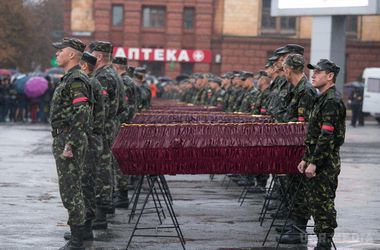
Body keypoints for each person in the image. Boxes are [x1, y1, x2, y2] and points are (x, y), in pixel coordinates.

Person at [298, 59, 346, 249]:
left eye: (318, 72)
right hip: (316, 159)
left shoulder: (332, 101)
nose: (313, 75)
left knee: (323, 202)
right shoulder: (322, 98)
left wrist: (314, 162)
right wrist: (305, 158)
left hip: (326, 162)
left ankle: (324, 242)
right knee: (315, 201)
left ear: (330, 76)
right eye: (313, 72)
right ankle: (321, 239)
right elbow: (314, 134)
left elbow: (326, 136)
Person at [50, 37, 92, 250]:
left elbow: (82, 112)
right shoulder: (69, 78)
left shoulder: (76, 79)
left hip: (69, 138)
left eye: (60, 51)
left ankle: (77, 241)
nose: (57, 54)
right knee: (72, 187)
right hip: (65, 137)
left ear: (73, 54)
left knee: (70, 190)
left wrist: (72, 143)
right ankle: (80, 232)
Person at [89, 41, 122, 229]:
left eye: (91, 53)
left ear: (99, 56)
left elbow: (99, 108)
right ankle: (102, 211)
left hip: (102, 128)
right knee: (106, 166)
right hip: (109, 126)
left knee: (101, 169)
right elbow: (121, 107)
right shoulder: (113, 74)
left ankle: (99, 215)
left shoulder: (103, 77)